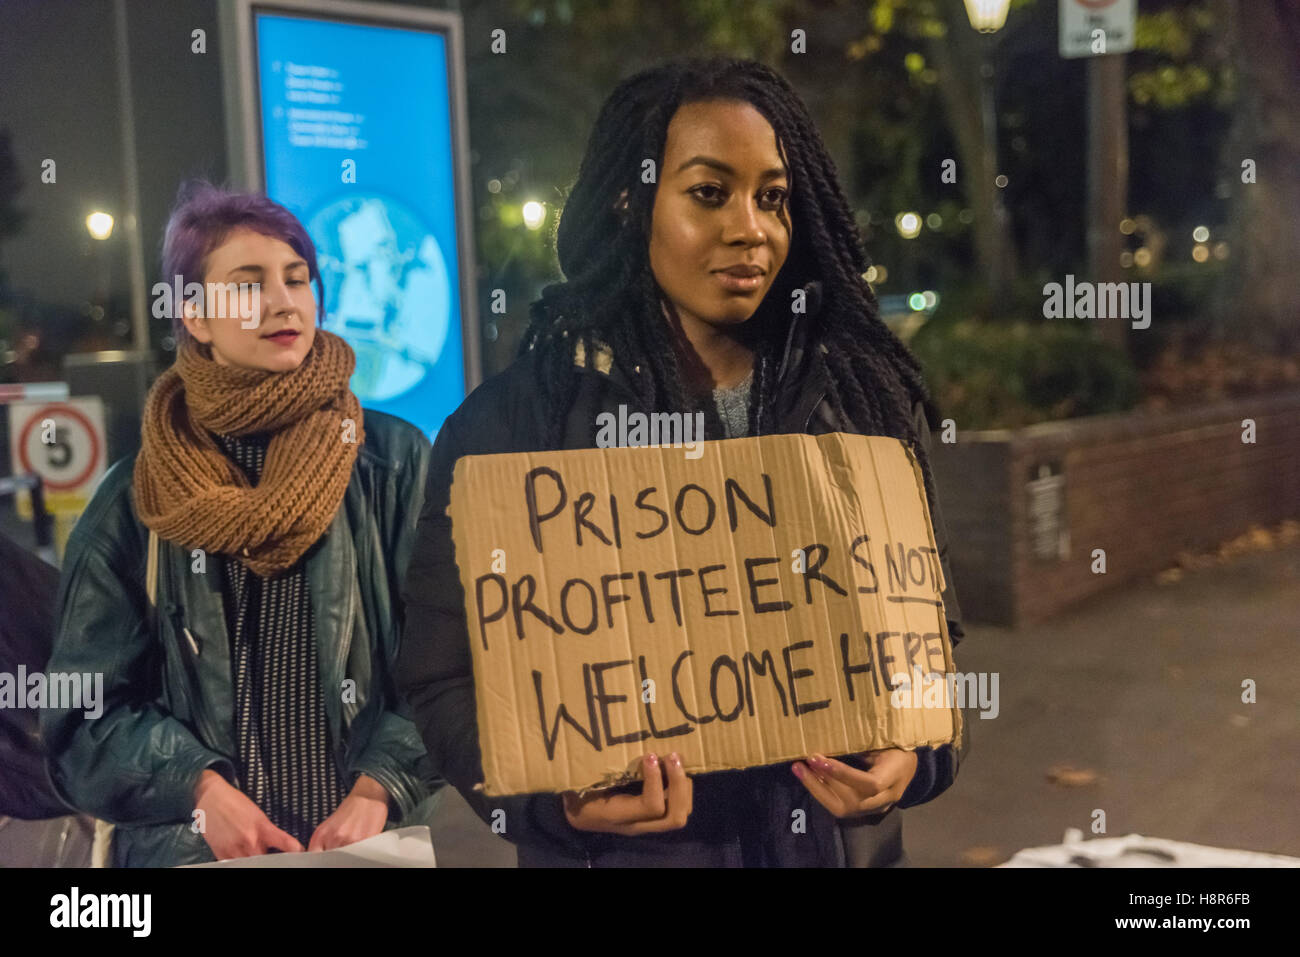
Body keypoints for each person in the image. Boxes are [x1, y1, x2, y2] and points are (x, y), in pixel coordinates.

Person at [398, 56, 967, 867]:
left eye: (772, 197)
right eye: (709, 193)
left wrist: (917, 755)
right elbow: (443, 675)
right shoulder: (518, 424)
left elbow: (935, 639)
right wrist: (555, 802)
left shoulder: (868, 408)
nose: (751, 228)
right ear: (633, 204)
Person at [41, 182, 440, 867]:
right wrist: (198, 788)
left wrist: (381, 785)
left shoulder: (392, 463)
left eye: (297, 278)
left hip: (368, 852)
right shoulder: (136, 498)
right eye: (248, 284)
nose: (284, 301)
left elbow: (447, 661)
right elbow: (80, 719)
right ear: (193, 315)